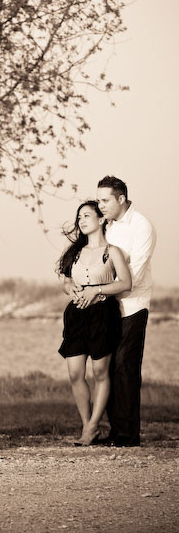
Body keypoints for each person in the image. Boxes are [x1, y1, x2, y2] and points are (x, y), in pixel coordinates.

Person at [58, 201, 132, 446]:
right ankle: (88, 423)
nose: (81, 220)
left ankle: (90, 429)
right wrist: (70, 288)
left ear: (101, 220)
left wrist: (97, 290)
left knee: (100, 372)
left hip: (102, 314)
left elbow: (125, 283)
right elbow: (66, 280)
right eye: (79, 217)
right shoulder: (75, 252)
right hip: (77, 315)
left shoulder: (113, 252)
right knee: (75, 373)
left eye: (87, 216)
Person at [96, 175, 156, 447]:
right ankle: (114, 430)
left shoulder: (142, 227)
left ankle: (128, 434)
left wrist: (101, 291)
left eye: (105, 200)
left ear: (121, 198)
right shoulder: (106, 226)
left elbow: (135, 273)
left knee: (125, 366)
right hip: (107, 306)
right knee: (106, 367)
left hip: (133, 305)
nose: (101, 205)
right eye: (99, 200)